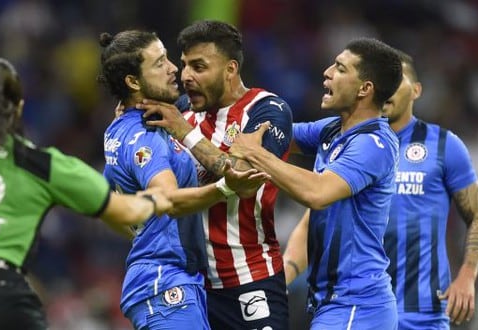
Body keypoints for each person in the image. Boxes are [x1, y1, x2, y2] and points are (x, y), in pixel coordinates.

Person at [0, 57, 173, 329]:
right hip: (2, 303)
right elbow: (126, 211)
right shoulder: (40, 163)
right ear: (19, 108)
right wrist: (157, 199)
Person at [97, 29, 268, 330]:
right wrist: (226, 187)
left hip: (168, 280)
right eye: (159, 62)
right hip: (165, 284)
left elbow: (110, 206)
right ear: (133, 82)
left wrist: (145, 232)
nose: (173, 68)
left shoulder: (125, 126)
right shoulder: (145, 136)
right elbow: (170, 199)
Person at [230, 38, 403, 329]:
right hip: (331, 305)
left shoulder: (373, 144)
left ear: (365, 89)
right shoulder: (333, 130)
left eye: (340, 68)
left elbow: (317, 193)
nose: (327, 72)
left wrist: (256, 154)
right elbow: (312, 219)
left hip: (357, 306)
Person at [138, 20, 294, 329]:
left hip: (251, 282)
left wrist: (185, 134)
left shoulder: (266, 110)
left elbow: (244, 178)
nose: (186, 77)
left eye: (198, 67)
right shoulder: (180, 111)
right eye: (183, 66)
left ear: (230, 69)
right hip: (191, 287)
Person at [381, 51, 478, 329]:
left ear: (416, 90)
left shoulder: (444, 145)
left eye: (398, 78)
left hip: (423, 311)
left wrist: (467, 276)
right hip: (362, 307)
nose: (388, 86)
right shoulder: (353, 146)